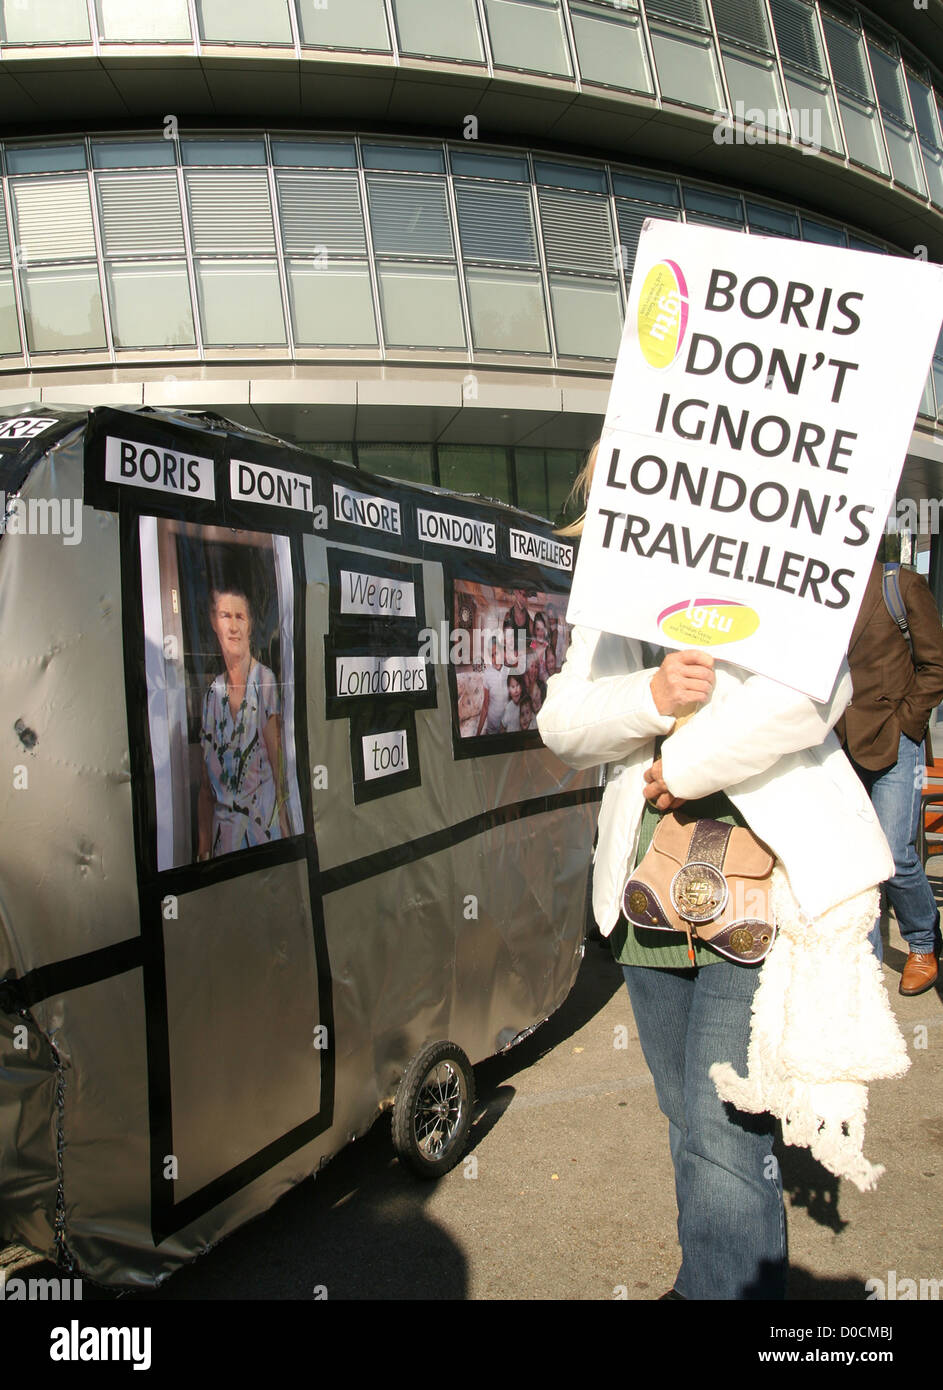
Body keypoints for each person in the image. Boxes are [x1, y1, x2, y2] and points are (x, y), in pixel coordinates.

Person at [537, 445, 901, 1301]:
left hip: (766, 894)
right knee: (688, 1119)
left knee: (722, 1127)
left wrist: (687, 760)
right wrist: (652, 697)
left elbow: (815, 694)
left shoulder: (772, 553)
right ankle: (718, 1279)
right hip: (644, 900)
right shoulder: (616, 591)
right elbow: (563, 724)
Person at [838, 556, 943, 995]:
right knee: (855, 856)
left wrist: (907, 722)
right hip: (834, 742)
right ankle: (865, 961)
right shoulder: (819, 589)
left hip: (894, 736)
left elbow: (935, 665)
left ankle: (921, 942)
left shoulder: (900, 583)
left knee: (895, 854)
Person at [198, 582, 290, 860]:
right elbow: (205, 788)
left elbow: (280, 772)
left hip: (263, 840)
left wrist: (288, 837)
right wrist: (202, 847)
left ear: (250, 625)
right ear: (215, 623)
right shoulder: (211, 695)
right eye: (226, 616)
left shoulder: (265, 682)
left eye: (241, 617)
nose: (234, 626)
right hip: (223, 846)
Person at [476, 636, 507, 737]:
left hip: (507, 728)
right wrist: (477, 733)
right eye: (491, 655)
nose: (494, 658)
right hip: (492, 728)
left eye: (496, 653)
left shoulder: (509, 671)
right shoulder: (487, 674)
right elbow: (485, 706)